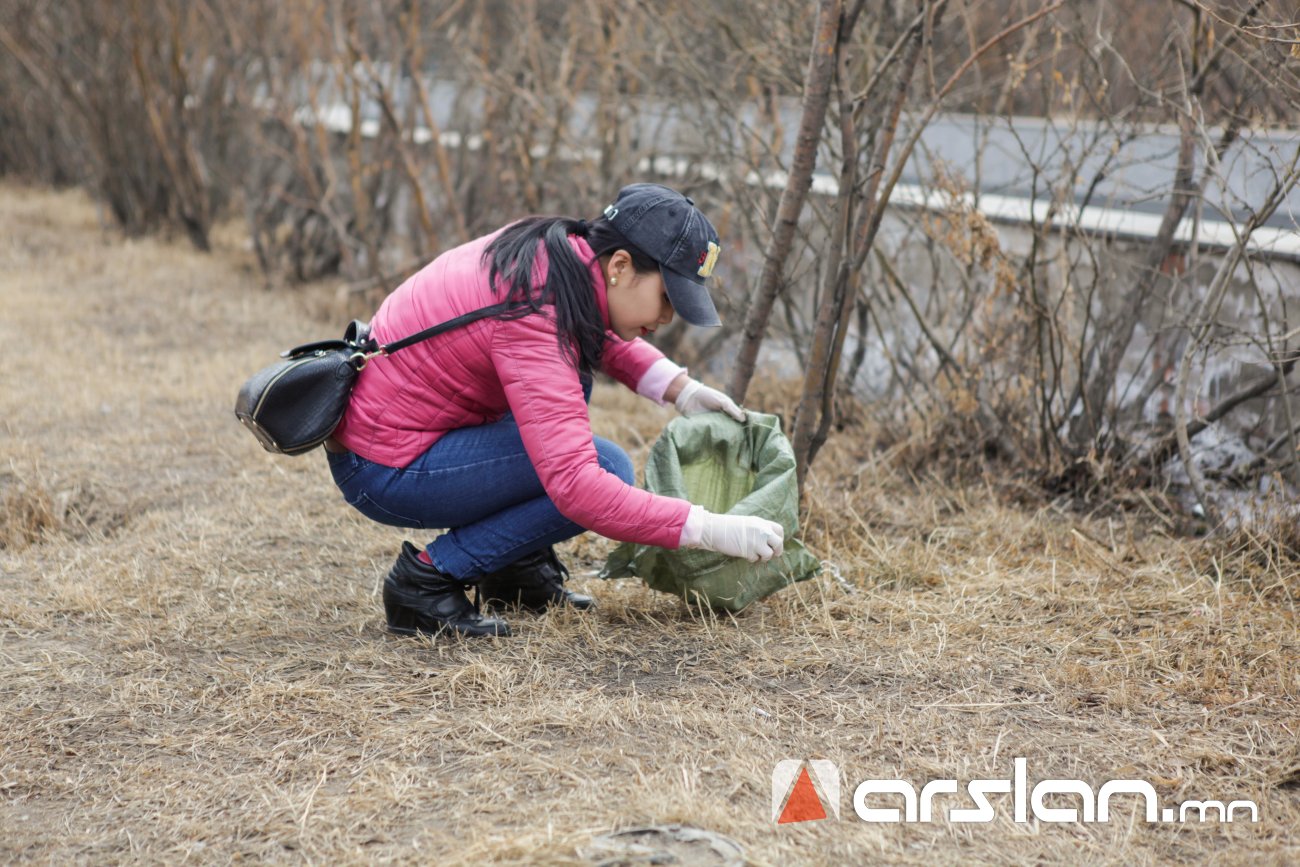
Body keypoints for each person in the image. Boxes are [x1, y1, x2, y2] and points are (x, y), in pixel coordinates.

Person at [325, 183, 785, 639]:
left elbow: (588, 324)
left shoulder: (556, 254)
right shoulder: (533, 311)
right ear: (620, 266)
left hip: (398, 440)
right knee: (606, 468)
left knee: (572, 413)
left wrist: (680, 389)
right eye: (667, 297)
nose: (668, 317)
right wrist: (706, 528)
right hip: (386, 468)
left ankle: (512, 569)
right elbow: (576, 486)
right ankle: (425, 581)